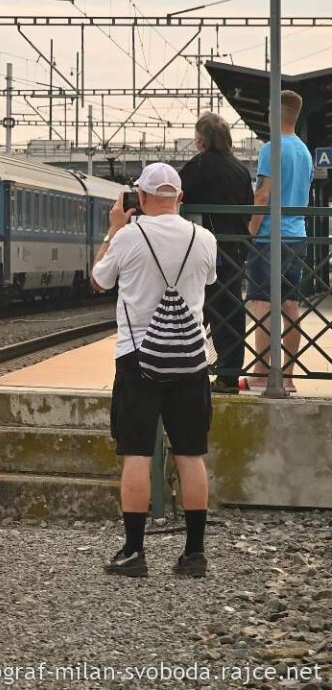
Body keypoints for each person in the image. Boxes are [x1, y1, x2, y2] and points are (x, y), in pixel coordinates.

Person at [91, 162, 218, 579]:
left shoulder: (127, 237)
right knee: (191, 454)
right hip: (191, 359)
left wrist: (112, 230)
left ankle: (133, 552)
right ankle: (194, 555)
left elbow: (98, 281)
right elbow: (209, 280)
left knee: (137, 454)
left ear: (140, 199)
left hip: (137, 358)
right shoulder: (205, 239)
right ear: (179, 198)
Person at [179, 113, 254, 393]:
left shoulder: (199, 165)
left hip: (205, 250)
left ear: (201, 140)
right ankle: (228, 373)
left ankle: (190, 369)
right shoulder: (239, 168)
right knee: (230, 310)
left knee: (195, 309)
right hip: (234, 250)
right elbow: (248, 207)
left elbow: (176, 194)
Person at [246, 89, 311, 394]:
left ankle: (260, 372)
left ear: (274, 113)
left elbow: (262, 194)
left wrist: (250, 231)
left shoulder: (271, 149)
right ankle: (288, 376)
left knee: (263, 302)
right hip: (298, 236)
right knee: (289, 304)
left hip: (270, 236)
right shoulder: (305, 152)